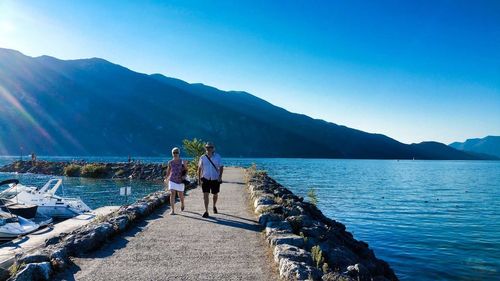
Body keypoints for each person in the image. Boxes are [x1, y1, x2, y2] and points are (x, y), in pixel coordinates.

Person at [197, 142, 223, 218]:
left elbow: (221, 167)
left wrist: (220, 176)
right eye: (207, 147)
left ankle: (214, 206)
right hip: (205, 178)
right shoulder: (202, 157)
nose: (209, 149)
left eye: (210, 147)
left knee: (215, 194)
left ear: (213, 148)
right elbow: (199, 168)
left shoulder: (218, 156)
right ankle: (206, 211)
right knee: (205, 195)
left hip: (215, 178)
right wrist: (199, 179)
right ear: (205, 148)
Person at [165, 147, 187, 215]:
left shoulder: (182, 161)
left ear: (179, 153)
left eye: (176, 152)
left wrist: (184, 175)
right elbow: (168, 171)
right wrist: (166, 178)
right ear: (172, 154)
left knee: (180, 195)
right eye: (174, 152)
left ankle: (182, 204)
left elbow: (186, 170)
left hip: (180, 180)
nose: (175, 154)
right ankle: (172, 210)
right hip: (172, 180)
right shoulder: (170, 162)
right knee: (172, 193)